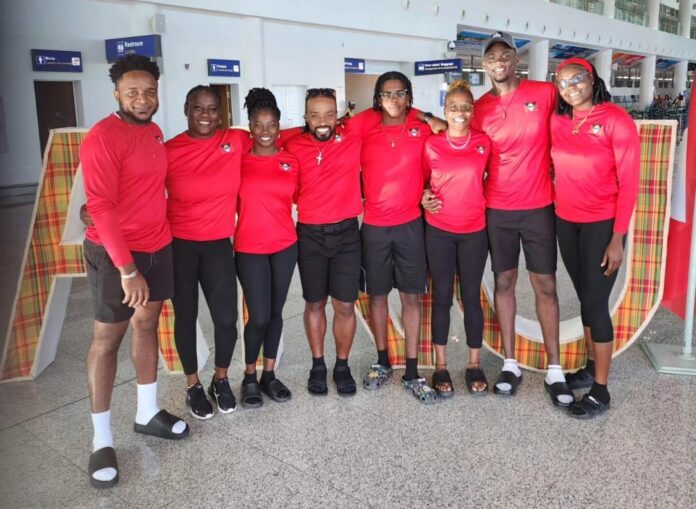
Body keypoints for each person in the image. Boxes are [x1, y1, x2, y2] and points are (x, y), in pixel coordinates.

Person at [81, 54, 188, 489]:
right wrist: (127, 270)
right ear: (116, 94)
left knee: (147, 325)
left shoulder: (155, 131)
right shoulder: (102, 137)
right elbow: (100, 205)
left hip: (158, 246)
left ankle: (146, 411)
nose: (143, 99)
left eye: (149, 91)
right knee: (107, 340)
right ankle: (101, 439)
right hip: (116, 256)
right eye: (133, 93)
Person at [472, 32, 574, 406]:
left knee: (545, 284)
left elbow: (576, 116)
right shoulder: (479, 108)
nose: (498, 62)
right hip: (497, 209)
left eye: (505, 55)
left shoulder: (544, 93)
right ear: (484, 64)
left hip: (538, 207)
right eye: (491, 57)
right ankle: (510, 363)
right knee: (504, 281)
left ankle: (555, 369)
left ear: (517, 59)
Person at [551, 57, 639, 418]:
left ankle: (601, 391)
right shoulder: (558, 120)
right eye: (563, 82)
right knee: (585, 298)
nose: (570, 87)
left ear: (592, 80)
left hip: (602, 224)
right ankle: (590, 368)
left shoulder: (616, 119)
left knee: (596, 302)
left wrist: (618, 237)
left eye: (577, 79)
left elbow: (629, 182)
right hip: (565, 221)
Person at [165, 86, 247, 419]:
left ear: (221, 114)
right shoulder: (169, 150)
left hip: (218, 246)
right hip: (179, 246)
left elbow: (274, 132)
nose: (205, 115)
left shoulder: (236, 141)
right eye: (198, 107)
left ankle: (220, 379)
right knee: (185, 317)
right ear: (186, 109)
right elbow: (137, 184)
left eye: (213, 108)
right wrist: (93, 207)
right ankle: (193, 385)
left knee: (226, 320)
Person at [359, 71, 436, 402]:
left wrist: (428, 192)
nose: (394, 99)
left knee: (410, 298)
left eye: (400, 92)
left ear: (409, 96)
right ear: (378, 99)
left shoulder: (422, 128)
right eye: (387, 93)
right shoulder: (365, 128)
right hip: (374, 227)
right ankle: (382, 361)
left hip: (410, 226)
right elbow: (335, 127)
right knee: (377, 296)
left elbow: (441, 155)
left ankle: (412, 370)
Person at [283, 88, 364, 397]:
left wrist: (428, 118)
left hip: (347, 234)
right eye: (315, 115)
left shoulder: (352, 136)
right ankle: (318, 365)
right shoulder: (293, 142)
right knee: (314, 302)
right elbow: (261, 134)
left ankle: (341, 366)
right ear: (305, 117)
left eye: (329, 114)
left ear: (337, 116)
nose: (322, 122)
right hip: (310, 234)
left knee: (345, 304)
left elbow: (381, 115)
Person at [421, 80, 491, 397]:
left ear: (472, 110)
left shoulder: (483, 143)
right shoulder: (432, 144)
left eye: (465, 107)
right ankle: (440, 366)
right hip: (439, 231)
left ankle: (474, 364)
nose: (459, 112)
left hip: (474, 231)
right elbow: (421, 181)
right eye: (453, 107)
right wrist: (423, 195)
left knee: (472, 299)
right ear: (445, 110)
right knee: (442, 298)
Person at [235, 88, 300, 407]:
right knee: (258, 315)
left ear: (279, 126)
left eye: (271, 124)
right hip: (249, 248)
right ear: (249, 126)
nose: (265, 131)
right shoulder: (238, 160)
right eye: (258, 125)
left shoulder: (291, 160)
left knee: (275, 313)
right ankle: (249, 376)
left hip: (285, 245)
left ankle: (269, 375)